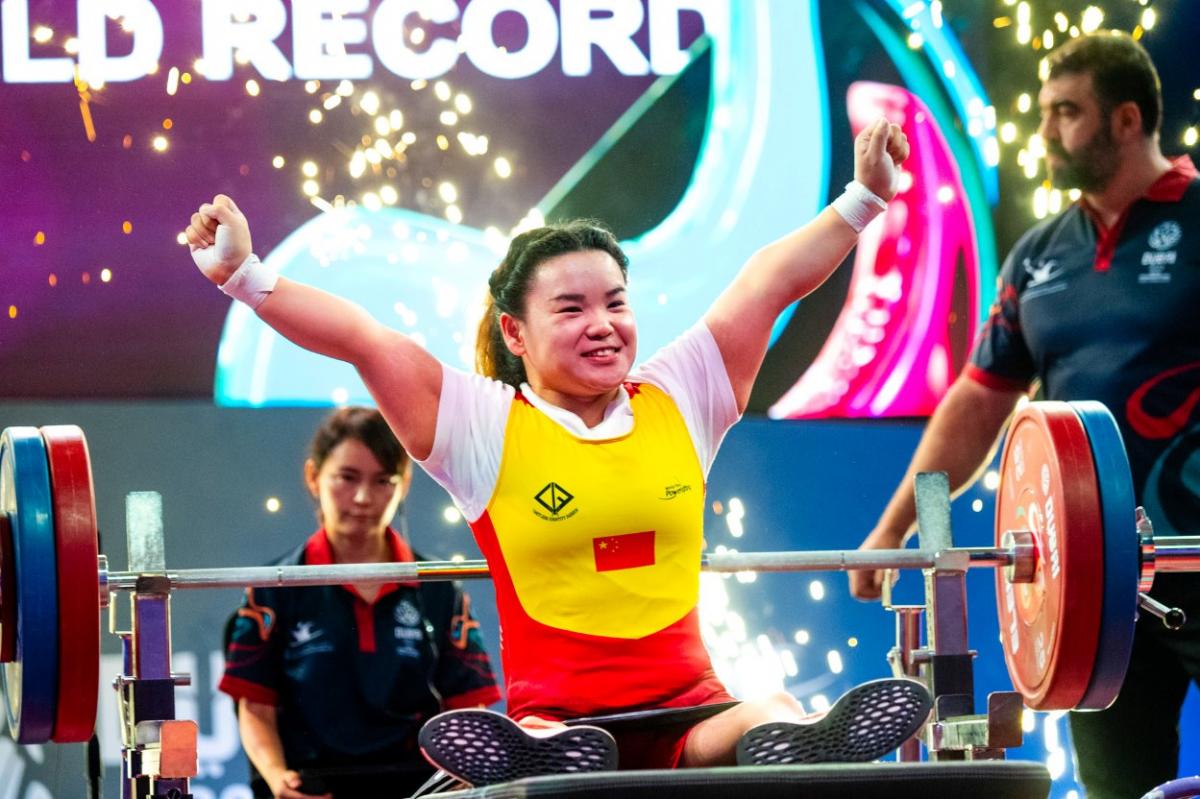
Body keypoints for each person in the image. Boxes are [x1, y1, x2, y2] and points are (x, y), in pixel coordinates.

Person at [191, 118, 932, 786]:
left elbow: (767, 284)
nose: (603, 324)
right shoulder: (479, 425)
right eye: (571, 308)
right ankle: (541, 754)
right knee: (555, 739)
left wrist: (864, 198)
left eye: (615, 302)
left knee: (767, 710)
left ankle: (806, 738)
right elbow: (361, 335)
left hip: (692, 715)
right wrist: (244, 276)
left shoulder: (683, 393)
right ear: (515, 334)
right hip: (562, 726)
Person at [849, 31, 1200, 799]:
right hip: (1100, 579)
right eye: (1043, 112)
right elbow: (977, 401)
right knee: (1117, 788)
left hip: (1199, 545)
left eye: (1066, 112)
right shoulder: (1039, 256)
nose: (1044, 131)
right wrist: (891, 528)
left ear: (1128, 121)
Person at [219, 407, 502, 798]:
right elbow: (255, 708)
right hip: (312, 787)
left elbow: (469, 708)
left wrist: (460, 781)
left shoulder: (438, 588)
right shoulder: (274, 587)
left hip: (418, 786)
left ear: (404, 484)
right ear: (313, 477)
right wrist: (276, 775)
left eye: (383, 480)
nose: (364, 498)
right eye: (347, 478)